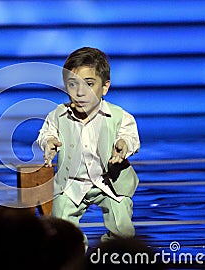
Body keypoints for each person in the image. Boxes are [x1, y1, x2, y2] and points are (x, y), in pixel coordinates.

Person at [37, 47, 140, 249]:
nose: (80, 92)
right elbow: (46, 134)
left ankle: (109, 256)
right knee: (61, 226)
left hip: (110, 184)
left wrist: (124, 145)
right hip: (72, 183)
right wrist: (48, 143)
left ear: (105, 87)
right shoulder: (58, 115)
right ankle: (76, 253)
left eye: (89, 84)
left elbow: (131, 136)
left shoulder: (119, 116)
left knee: (122, 227)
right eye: (72, 84)